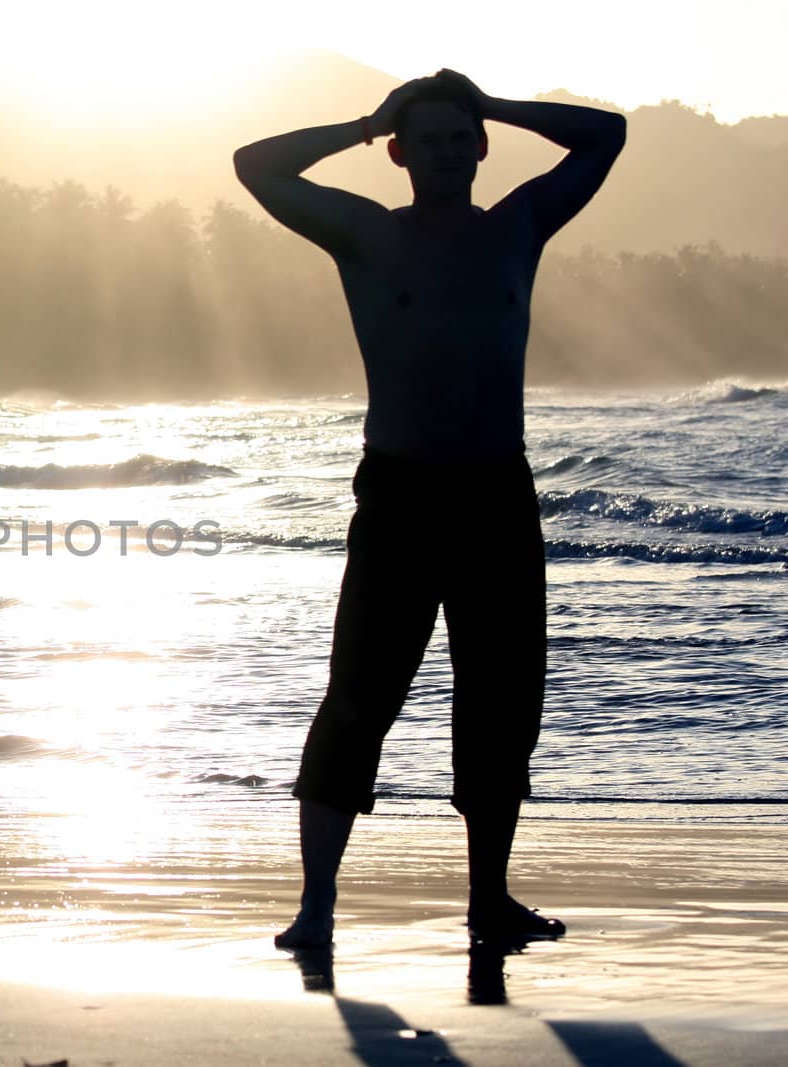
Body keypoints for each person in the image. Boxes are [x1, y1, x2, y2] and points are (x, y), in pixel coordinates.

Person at [232, 70, 625, 949]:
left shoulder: (518, 227)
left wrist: (496, 106)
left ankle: (490, 901)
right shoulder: (366, 234)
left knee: (501, 705)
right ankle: (316, 907)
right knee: (359, 698)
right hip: (402, 496)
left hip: (494, 496)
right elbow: (256, 165)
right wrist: (367, 123)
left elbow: (609, 136)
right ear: (402, 154)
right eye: (430, 140)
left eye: (462, 138)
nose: (448, 153)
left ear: (480, 147)